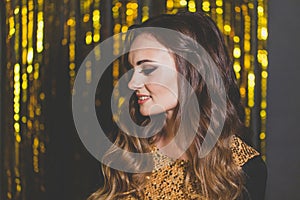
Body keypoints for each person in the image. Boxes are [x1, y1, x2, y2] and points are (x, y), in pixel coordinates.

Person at [88, 11, 267, 200]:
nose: (132, 83)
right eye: (132, 69)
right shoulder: (124, 150)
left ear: (192, 69)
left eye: (148, 69)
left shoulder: (240, 167)